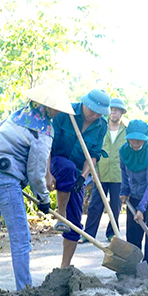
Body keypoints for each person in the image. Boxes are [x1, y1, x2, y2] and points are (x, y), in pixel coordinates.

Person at [0, 81, 73, 296]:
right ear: (47, 106)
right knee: (21, 238)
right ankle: (26, 292)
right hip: (6, 182)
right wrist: (43, 199)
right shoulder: (44, 130)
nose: (57, 112)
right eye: (56, 107)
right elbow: (37, 171)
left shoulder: (17, 115)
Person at [47, 89, 109, 268]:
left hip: (76, 171)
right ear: (85, 103)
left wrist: (83, 177)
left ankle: (65, 267)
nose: (95, 115)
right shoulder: (66, 113)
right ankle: (61, 214)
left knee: (75, 220)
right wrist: (47, 173)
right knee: (66, 168)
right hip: (56, 162)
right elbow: (48, 145)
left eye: (99, 112)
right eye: (92, 110)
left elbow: (93, 154)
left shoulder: (101, 125)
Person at [119, 120, 148, 272]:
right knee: (132, 233)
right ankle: (133, 267)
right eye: (133, 139)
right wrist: (124, 192)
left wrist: (142, 208)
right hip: (135, 195)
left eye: (140, 139)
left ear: (145, 139)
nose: (136, 142)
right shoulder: (124, 152)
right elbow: (124, 174)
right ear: (128, 137)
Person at [82, 97, 127, 243]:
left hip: (119, 174)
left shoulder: (126, 130)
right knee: (95, 204)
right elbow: (93, 149)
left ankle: (112, 233)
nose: (113, 113)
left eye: (116, 110)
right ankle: (88, 234)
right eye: (111, 110)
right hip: (101, 172)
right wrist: (93, 170)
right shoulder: (100, 126)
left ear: (121, 113)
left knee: (115, 205)